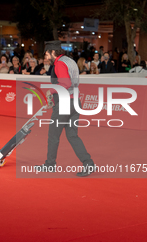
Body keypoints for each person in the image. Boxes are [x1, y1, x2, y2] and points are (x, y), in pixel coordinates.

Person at [38, 40, 96, 177]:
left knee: (53, 135)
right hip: (76, 102)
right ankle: (88, 163)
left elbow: (65, 83)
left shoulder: (59, 63)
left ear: (53, 52)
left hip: (65, 104)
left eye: (46, 54)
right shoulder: (70, 61)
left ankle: (50, 165)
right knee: (72, 136)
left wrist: (50, 91)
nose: (45, 57)